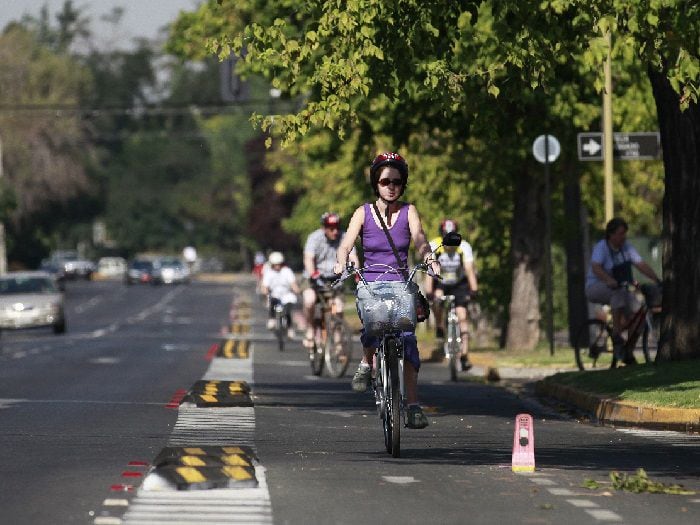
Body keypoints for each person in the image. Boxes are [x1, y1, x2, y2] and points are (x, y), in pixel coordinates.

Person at [333, 151, 440, 429]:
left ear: (403, 184)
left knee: (408, 339)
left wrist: (430, 258)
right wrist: (340, 260)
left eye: (396, 181)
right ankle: (367, 363)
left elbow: (420, 240)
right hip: (370, 283)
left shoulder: (409, 211)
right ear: (375, 183)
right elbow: (346, 243)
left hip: (401, 283)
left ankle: (413, 406)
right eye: (384, 181)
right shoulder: (363, 212)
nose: (391, 186)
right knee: (373, 325)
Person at [585, 217, 661, 364]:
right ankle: (617, 334)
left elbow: (640, 264)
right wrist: (609, 280)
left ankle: (627, 352)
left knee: (639, 314)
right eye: (620, 234)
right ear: (611, 235)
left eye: (624, 234)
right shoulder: (602, 247)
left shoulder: (626, 247)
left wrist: (656, 279)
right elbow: (596, 267)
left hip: (619, 288)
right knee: (618, 294)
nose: (623, 237)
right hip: (596, 286)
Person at [424, 219, 478, 371]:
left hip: (458, 283)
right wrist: (429, 291)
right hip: (440, 281)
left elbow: (469, 269)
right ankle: (440, 325)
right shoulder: (435, 245)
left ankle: (464, 355)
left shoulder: (464, 247)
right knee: (437, 299)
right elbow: (430, 271)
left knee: (462, 316)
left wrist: (474, 289)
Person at [302, 212, 358, 348]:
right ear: (324, 228)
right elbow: (308, 258)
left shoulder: (345, 237)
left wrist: (356, 273)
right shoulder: (314, 238)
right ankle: (310, 329)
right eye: (331, 228)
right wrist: (313, 274)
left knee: (337, 309)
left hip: (335, 279)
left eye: (337, 227)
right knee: (309, 300)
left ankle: (338, 342)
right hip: (316, 277)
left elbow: (353, 257)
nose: (335, 231)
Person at [261, 251, 300, 339]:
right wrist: (265, 291)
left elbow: (293, 283)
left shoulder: (287, 271)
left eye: (279, 264)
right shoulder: (269, 273)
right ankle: (272, 319)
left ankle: (290, 329)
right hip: (275, 294)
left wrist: (297, 290)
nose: (277, 266)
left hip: (287, 295)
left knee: (287, 311)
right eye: (275, 264)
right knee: (272, 300)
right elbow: (265, 286)